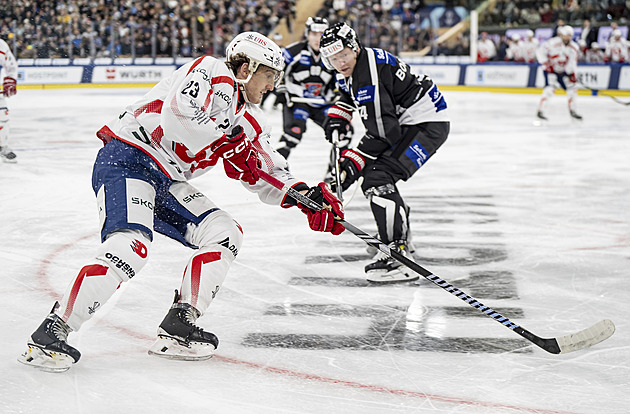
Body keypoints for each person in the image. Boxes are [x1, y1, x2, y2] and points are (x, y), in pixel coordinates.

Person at [18, 32, 345, 372]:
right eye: (269, 75)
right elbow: (178, 116)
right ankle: (53, 329)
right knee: (130, 246)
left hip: (167, 179)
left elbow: (267, 170)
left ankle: (180, 322)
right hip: (128, 157)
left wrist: (305, 197)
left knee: (225, 232)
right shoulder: (211, 70)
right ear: (246, 68)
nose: (272, 85)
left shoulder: (246, 120)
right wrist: (224, 140)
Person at [319, 22, 450, 284]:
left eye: (343, 54)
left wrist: (352, 163)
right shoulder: (360, 63)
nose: (339, 62)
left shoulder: (368, 76)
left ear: (354, 47)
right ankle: (399, 235)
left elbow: (384, 134)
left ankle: (398, 255)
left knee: (378, 177)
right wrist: (338, 116)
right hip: (414, 120)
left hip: (426, 125)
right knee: (376, 173)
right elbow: (347, 93)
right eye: (333, 58)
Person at [274, 16, 351, 178]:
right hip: (297, 102)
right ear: (307, 34)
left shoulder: (334, 56)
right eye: (314, 34)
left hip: (322, 104)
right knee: (292, 135)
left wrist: (339, 95)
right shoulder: (294, 51)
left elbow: (341, 78)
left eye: (322, 34)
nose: (318, 38)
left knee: (343, 133)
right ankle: (274, 170)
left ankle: (333, 173)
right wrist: (280, 90)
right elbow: (276, 70)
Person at [536, 25, 582, 121]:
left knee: (572, 90)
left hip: (563, 72)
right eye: (565, 35)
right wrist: (545, 64)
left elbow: (572, 63)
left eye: (569, 35)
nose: (567, 38)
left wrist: (572, 74)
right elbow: (540, 52)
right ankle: (540, 111)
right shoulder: (552, 43)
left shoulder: (574, 48)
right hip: (551, 70)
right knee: (549, 90)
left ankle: (572, 111)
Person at [0, 37, 18, 163]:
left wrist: (11, 79)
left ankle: (3, 147)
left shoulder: (1, 45)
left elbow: (11, 64)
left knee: (3, 117)